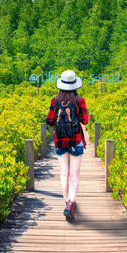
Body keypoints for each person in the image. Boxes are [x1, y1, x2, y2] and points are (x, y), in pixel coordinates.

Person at [45, 70, 89, 222]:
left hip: (60, 140)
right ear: (75, 85)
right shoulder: (80, 100)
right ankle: (71, 203)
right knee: (74, 175)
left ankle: (66, 204)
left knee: (64, 174)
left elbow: (49, 121)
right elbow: (85, 121)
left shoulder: (54, 100)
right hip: (76, 140)